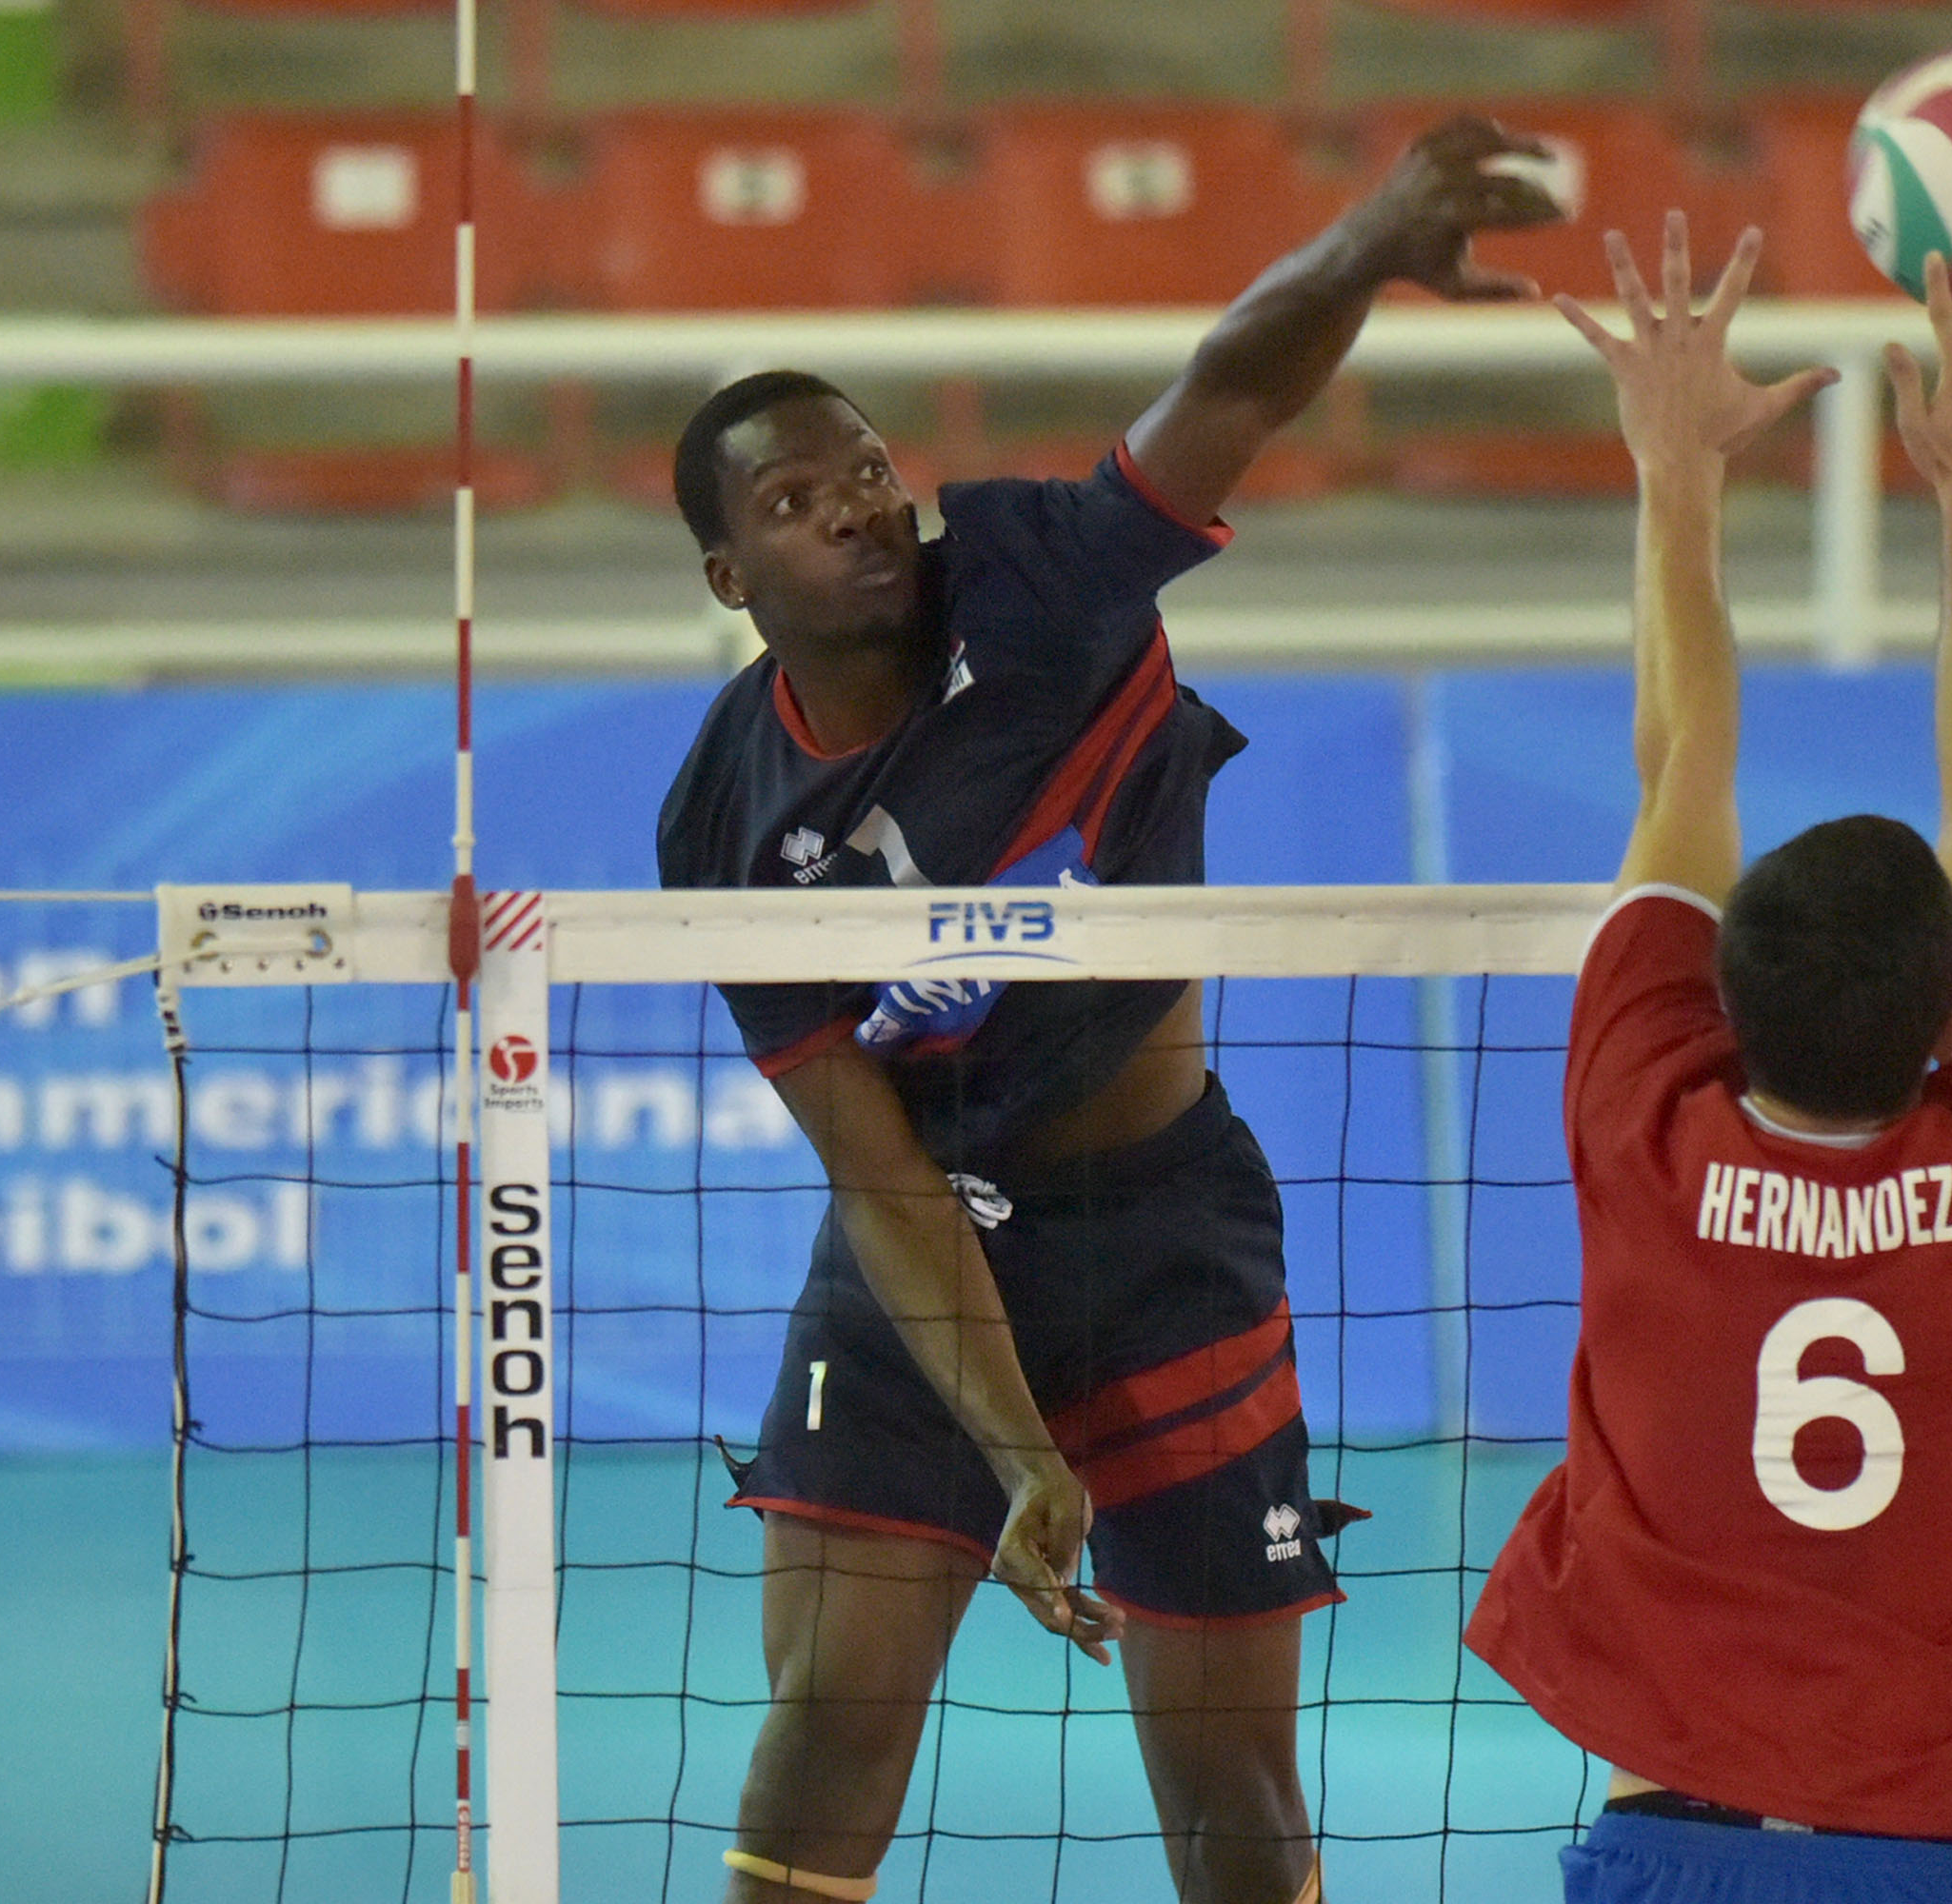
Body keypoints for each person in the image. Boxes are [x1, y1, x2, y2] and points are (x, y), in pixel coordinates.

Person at [654, 117, 1566, 1904]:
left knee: (1231, 1784)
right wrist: (1015, 1453)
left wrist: (1367, 243)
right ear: (728, 580)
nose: (852, 503)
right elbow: (869, 1163)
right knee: (833, 1722)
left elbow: (1226, 388)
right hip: (920, 1235)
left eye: (862, 468)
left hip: (1161, 1230)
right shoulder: (726, 825)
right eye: (790, 499)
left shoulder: (1041, 588)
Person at [1463, 219, 1952, 1902]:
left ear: (1724, 1012)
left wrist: (1672, 468)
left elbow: (1679, 757)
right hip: (1918, 1862)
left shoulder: (1642, 1123)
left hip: (1662, 1851)